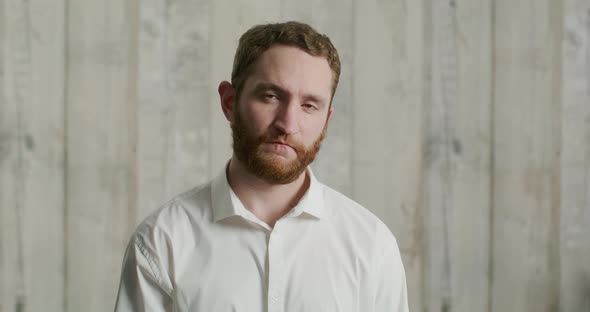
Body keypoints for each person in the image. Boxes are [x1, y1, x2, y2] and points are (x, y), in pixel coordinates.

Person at [114, 21, 409, 312]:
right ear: (230, 102)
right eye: (271, 96)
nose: (288, 124)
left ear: (326, 120)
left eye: (309, 105)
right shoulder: (161, 243)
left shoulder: (371, 246)